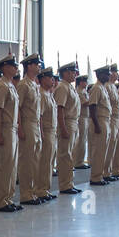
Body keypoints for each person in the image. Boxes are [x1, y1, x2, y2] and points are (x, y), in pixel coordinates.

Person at [0, 56, 21, 212]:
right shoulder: (2, 86)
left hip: (12, 128)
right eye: (13, 65)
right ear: (5, 68)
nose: (16, 68)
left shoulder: (10, 85)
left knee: (12, 166)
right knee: (5, 166)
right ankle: (1, 201)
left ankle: (9, 198)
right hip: (5, 128)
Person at [17, 54, 44, 202]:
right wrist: (20, 128)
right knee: (27, 161)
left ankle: (33, 192)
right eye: (36, 64)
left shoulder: (35, 84)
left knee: (35, 160)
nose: (39, 66)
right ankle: (25, 194)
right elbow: (18, 109)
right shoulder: (23, 85)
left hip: (35, 124)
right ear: (28, 66)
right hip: (27, 124)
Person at [55, 62, 82, 193]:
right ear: (65, 73)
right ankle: (65, 184)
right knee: (65, 155)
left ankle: (69, 183)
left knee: (71, 155)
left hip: (73, 122)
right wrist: (63, 128)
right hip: (67, 122)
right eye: (72, 72)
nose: (74, 74)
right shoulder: (62, 87)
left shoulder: (70, 87)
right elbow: (60, 109)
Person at [36, 67, 58, 201]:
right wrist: (42, 133)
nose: (53, 80)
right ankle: (41, 190)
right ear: (43, 80)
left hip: (52, 131)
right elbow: (40, 116)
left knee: (49, 162)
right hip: (46, 131)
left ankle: (45, 189)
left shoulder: (48, 94)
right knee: (44, 162)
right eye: (50, 78)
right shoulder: (42, 95)